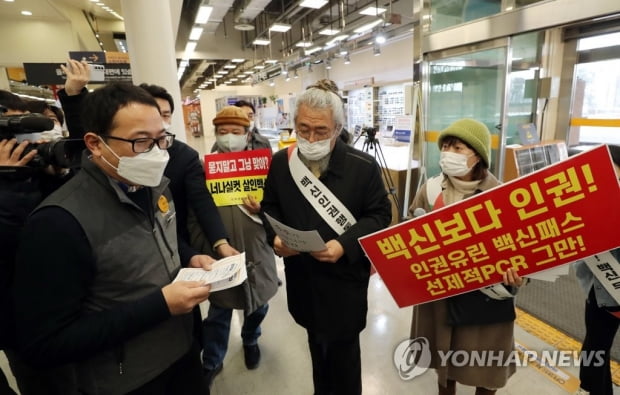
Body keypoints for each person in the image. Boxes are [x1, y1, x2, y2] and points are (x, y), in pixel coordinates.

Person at [12, 82, 214, 394]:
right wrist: (161, 305)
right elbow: (44, 343)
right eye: (141, 142)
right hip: (126, 380)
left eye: (162, 140)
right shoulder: (59, 222)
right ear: (95, 143)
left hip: (183, 354)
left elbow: (156, 238)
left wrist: (189, 256)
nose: (158, 154)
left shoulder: (154, 185)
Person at [260, 82, 392, 394]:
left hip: (344, 285)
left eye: (321, 131)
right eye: (302, 129)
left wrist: (344, 245)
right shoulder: (282, 163)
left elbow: (380, 216)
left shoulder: (363, 167)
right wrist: (275, 241)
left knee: (344, 363)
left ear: (338, 128)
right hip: (303, 281)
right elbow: (269, 206)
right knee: (317, 353)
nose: (310, 138)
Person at [58, 60, 237, 259]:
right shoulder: (68, 214)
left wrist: (210, 245)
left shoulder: (181, 161)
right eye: (141, 140)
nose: (155, 153)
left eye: (164, 115)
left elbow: (195, 205)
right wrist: (74, 96)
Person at [408, 118, 524, 395]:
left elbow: (523, 248)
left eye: (458, 147)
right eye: (446, 146)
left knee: (486, 367)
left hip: (487, 295)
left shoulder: (504, 196)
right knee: (445, 363)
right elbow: (408, 235)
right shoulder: (431, 189)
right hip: (442, 295)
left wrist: (519, 275)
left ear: (478, 155)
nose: (448, 153)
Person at [190, 106, 279, 388]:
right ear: (215, 133)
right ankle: (212, 359)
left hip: (257, 247)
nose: (230, 137)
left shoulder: (264, 165)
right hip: (220, 250)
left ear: (247, 133)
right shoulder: (205, 169)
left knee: (259, 303)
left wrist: (263, 210)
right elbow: (195, 213)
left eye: (236, 132)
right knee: (219, 309)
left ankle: (251, 338)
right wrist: (207, 245)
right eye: (223, 132)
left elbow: (280, 205)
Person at [0, 90, 75, 395]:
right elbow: (17, 241)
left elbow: (61, 226)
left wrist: (55, 177)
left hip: (66, 307)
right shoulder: (12, 183)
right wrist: (9, 181)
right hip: (20, 323)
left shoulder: (35, 174)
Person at [573, 144, 620, 395]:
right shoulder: (591, 199)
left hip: (614, 290)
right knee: (595, 346)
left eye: (610, 170)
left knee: (595, 348)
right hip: (597, 289)